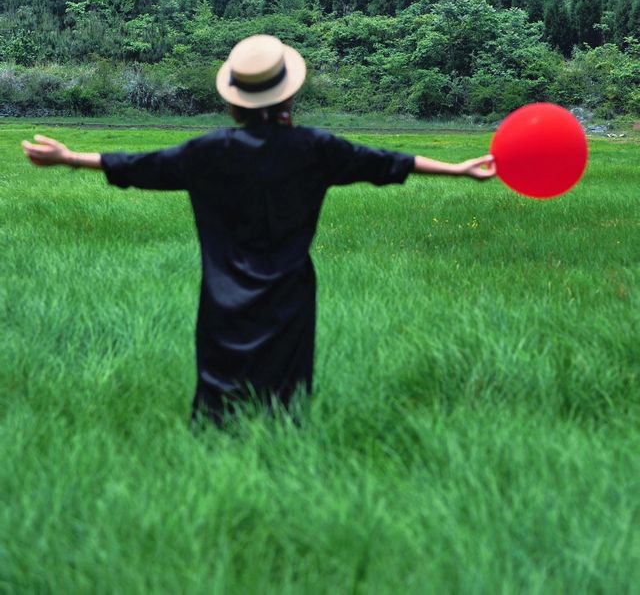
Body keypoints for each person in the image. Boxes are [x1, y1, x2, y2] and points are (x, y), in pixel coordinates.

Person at [22, 34, 496, 427]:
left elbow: (141, 166)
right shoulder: (315, 148)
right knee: (285, 398)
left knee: (219, 394)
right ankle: (283, 448)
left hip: (223, 295)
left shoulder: (208, 153)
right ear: (288, 94)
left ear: (235, 102)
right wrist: (457, 169)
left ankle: (213, 449)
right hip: (289, 293)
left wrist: (70, 159)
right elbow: (387, 162)